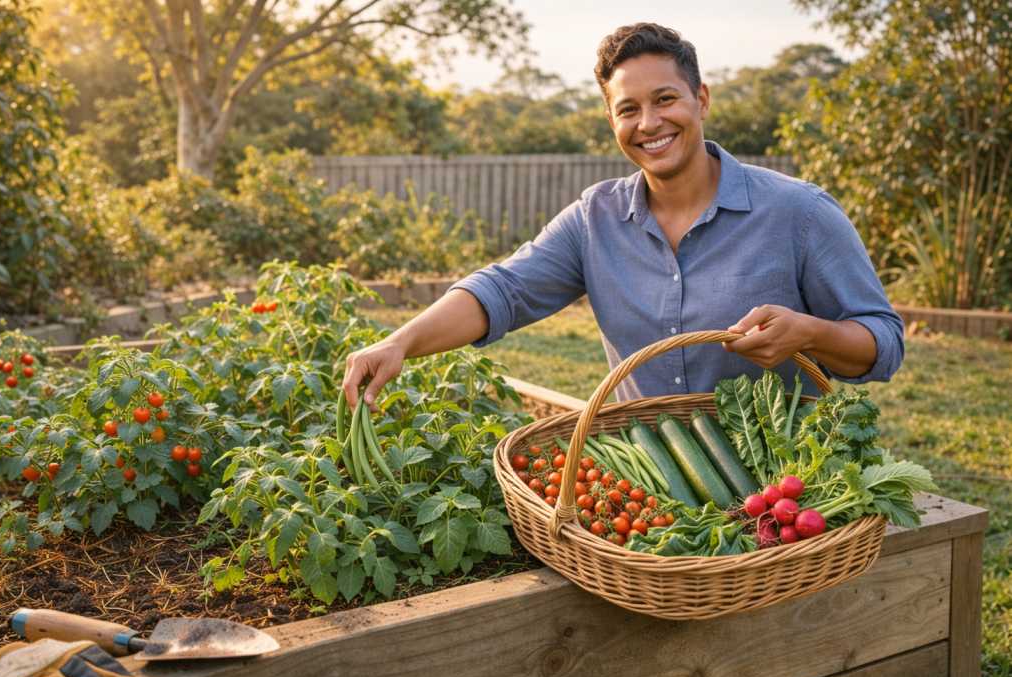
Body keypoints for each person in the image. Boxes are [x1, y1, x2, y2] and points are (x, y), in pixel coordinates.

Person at [342, 22, 903, 411]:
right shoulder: (596, 219)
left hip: (782, 487)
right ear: (611, 119)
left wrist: (811, 333)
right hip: (649, 488)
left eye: (665, 99)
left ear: (701, 99)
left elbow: (883, 343)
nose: (649, 123)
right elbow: (504, 291)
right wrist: (400, 342)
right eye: (628, 109)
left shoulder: (798, 212)